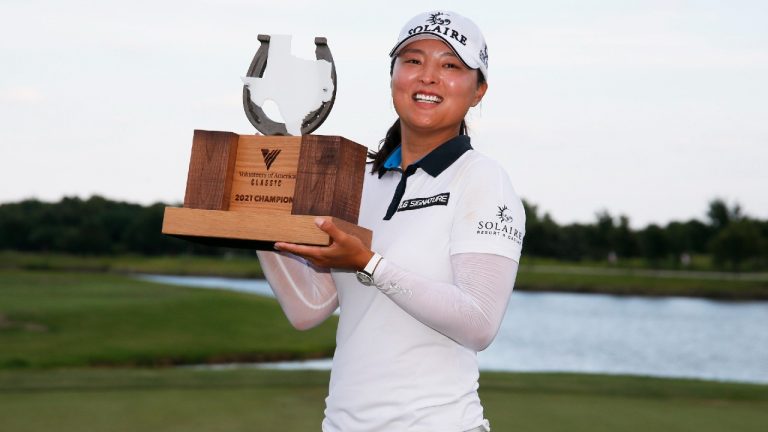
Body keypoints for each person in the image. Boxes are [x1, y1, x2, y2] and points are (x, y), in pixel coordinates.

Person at [257, 10, 525, 432]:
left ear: (479, 91)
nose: (428, 77)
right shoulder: (357, 181)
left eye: (451, 65)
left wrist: (368, 263)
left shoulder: (482, 179)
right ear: (393, 75)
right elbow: (309, 309)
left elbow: (478, 325)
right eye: (413, 60)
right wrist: (261, 219)